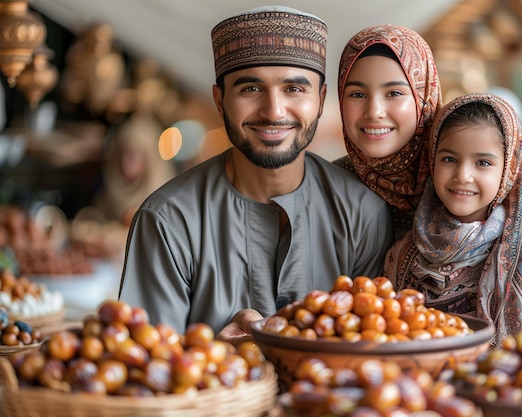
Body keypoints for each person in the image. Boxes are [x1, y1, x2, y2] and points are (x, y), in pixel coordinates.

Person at [117, 6, 394, 340]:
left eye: (294, 89)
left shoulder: (362, 213)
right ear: (219, 101)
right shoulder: (169, 220)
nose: (273, 111)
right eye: (250, 89)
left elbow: (370, 353)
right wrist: (216, 358)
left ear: (321, 100)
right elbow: (146, 366)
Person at [385, 93, 522, 346]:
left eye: (483, 162)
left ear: (509, 169)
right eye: (449, 159)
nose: (463, 175)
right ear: (432, 161)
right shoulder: (406, 251)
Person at [335, 24, 441, 240]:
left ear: (424, 98)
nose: (374, 112)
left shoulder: (456, 181)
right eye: (357, 94)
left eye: (393, 93)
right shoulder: (326, 189)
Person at [91, 112, 177, 225]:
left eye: (133, 155)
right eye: (121, 153)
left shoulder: (164, 204)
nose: (125, 161)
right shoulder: (106, 197)